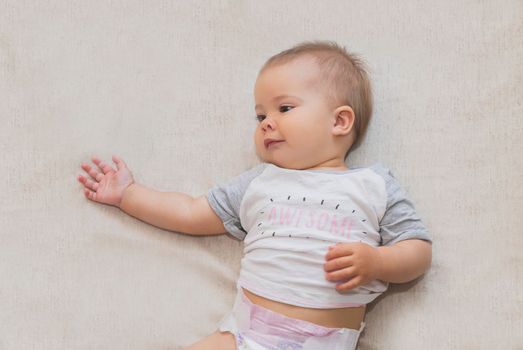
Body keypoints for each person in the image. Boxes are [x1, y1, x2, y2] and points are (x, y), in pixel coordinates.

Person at [77, 41, 432, 350]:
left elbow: (418, 249)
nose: (266, 122)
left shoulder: (373, 184)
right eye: (260, 114)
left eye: (284, 108)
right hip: (244, 334)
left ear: (339, 121)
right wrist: (129, 195)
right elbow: (190, 212)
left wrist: (378, 262)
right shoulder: (260, 183)